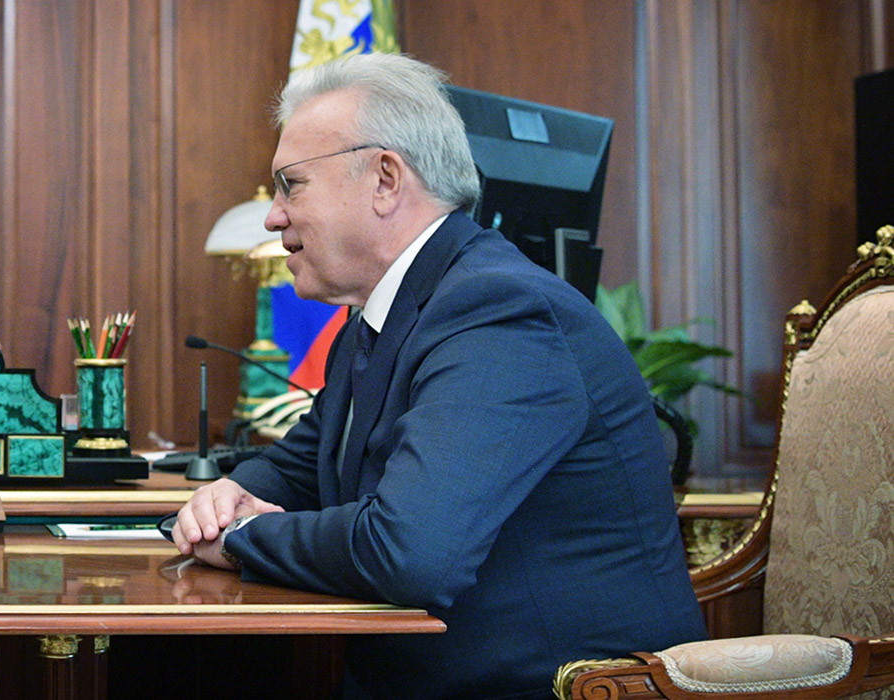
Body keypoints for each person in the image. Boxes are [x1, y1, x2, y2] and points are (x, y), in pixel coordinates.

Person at [173, 52, 706, 700]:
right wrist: (226, 498)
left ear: (385, 180)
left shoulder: (498, 311)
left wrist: (243, 537)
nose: (273, 215)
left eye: (292, 185)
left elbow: (410, 552)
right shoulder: (378, 317)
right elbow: (307, 465)